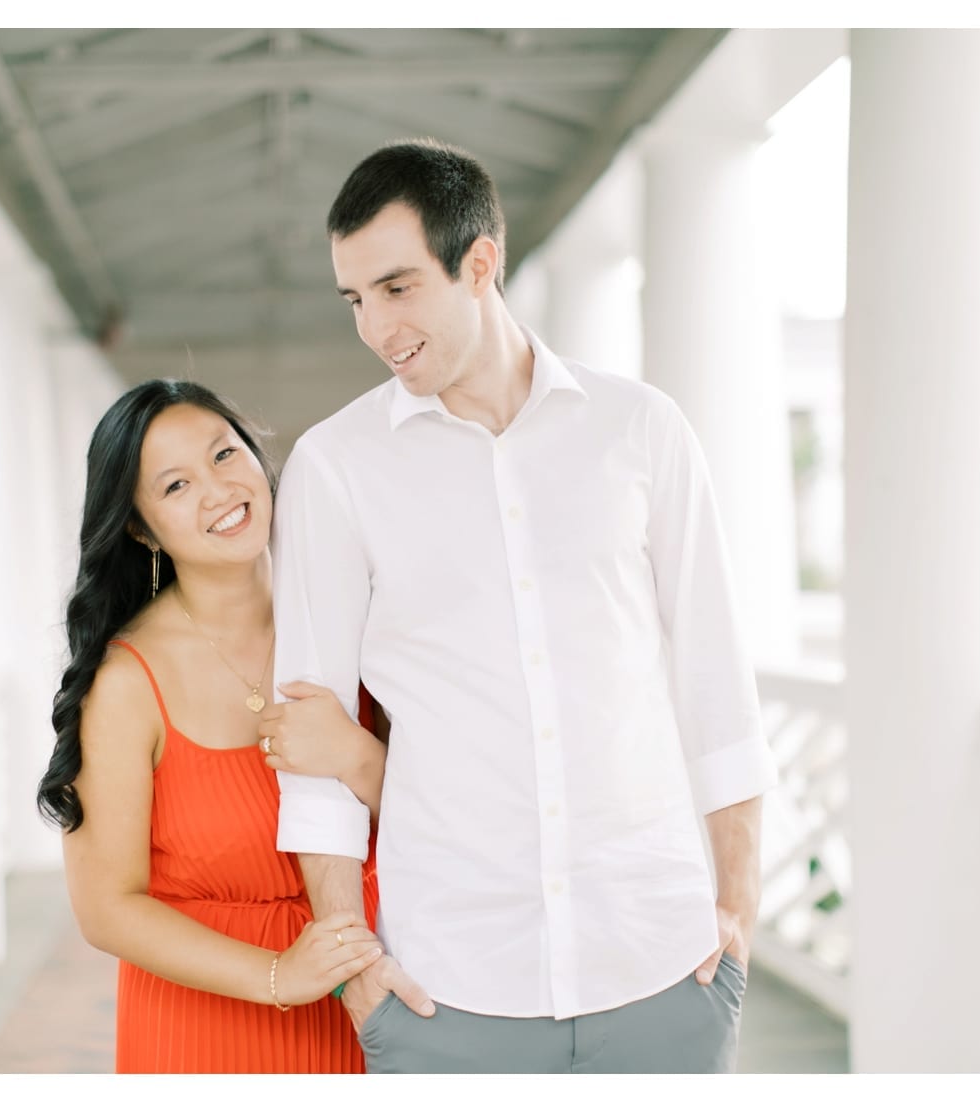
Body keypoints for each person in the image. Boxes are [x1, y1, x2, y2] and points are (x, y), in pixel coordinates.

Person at [266, 139, 779, 1074]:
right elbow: (314, 738)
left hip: (663, 967)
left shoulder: (640, 429)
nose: (377, 330)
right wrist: (354, 965)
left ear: (480, 263)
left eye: (397, 287)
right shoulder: (336, 469)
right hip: (446, 984)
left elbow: (717, 685)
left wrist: (736, 909)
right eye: (355, 300)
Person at [37, 379, 390, 1074]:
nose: (218, 490)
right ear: (139, 527)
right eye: (175, 486)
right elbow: (106, 907)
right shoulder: (125, 683)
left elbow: (459, 813)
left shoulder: (361, 618)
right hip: (209, 1029)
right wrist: (278, 975)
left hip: (376, 1002)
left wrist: (357, 758)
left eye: (225, 454)